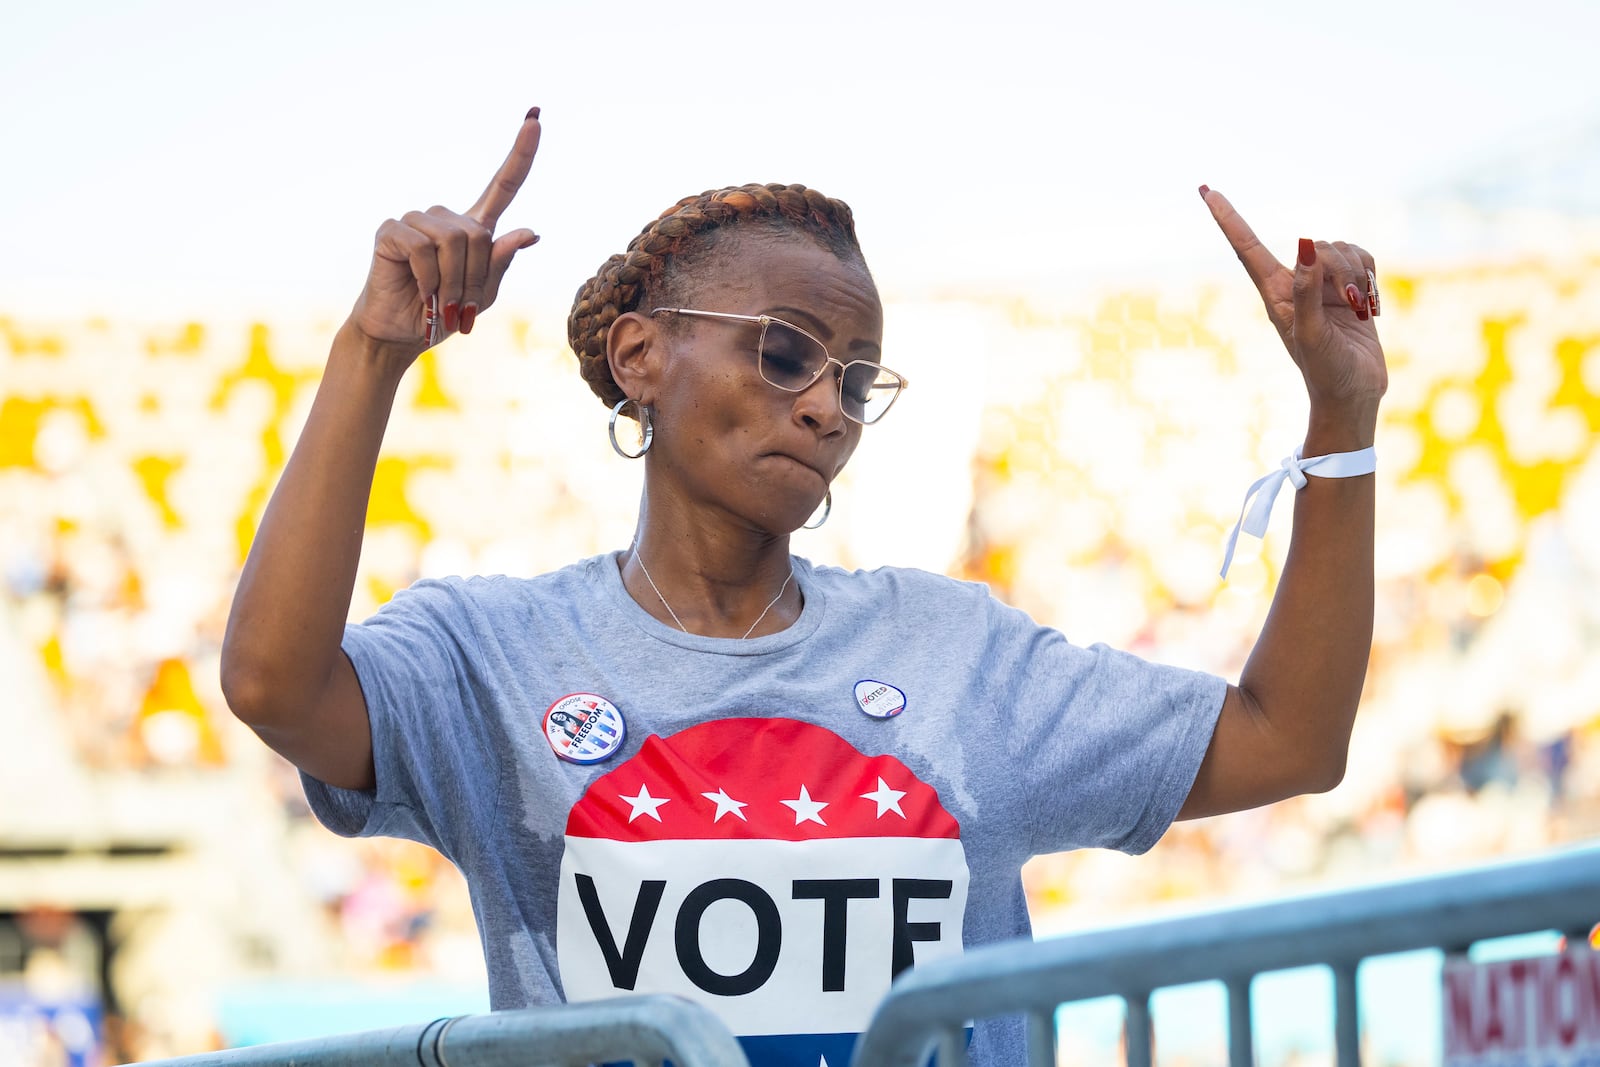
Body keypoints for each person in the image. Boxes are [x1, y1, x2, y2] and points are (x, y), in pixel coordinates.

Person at [220, 108, 1386, 1066]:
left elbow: (1289, 738)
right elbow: (274, 682)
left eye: (858, 378)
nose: (826, 405)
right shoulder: (494, 653)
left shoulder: (951, 649)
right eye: (783, 352)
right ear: (640, 358)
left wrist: (1341, 417)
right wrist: (372, 349)